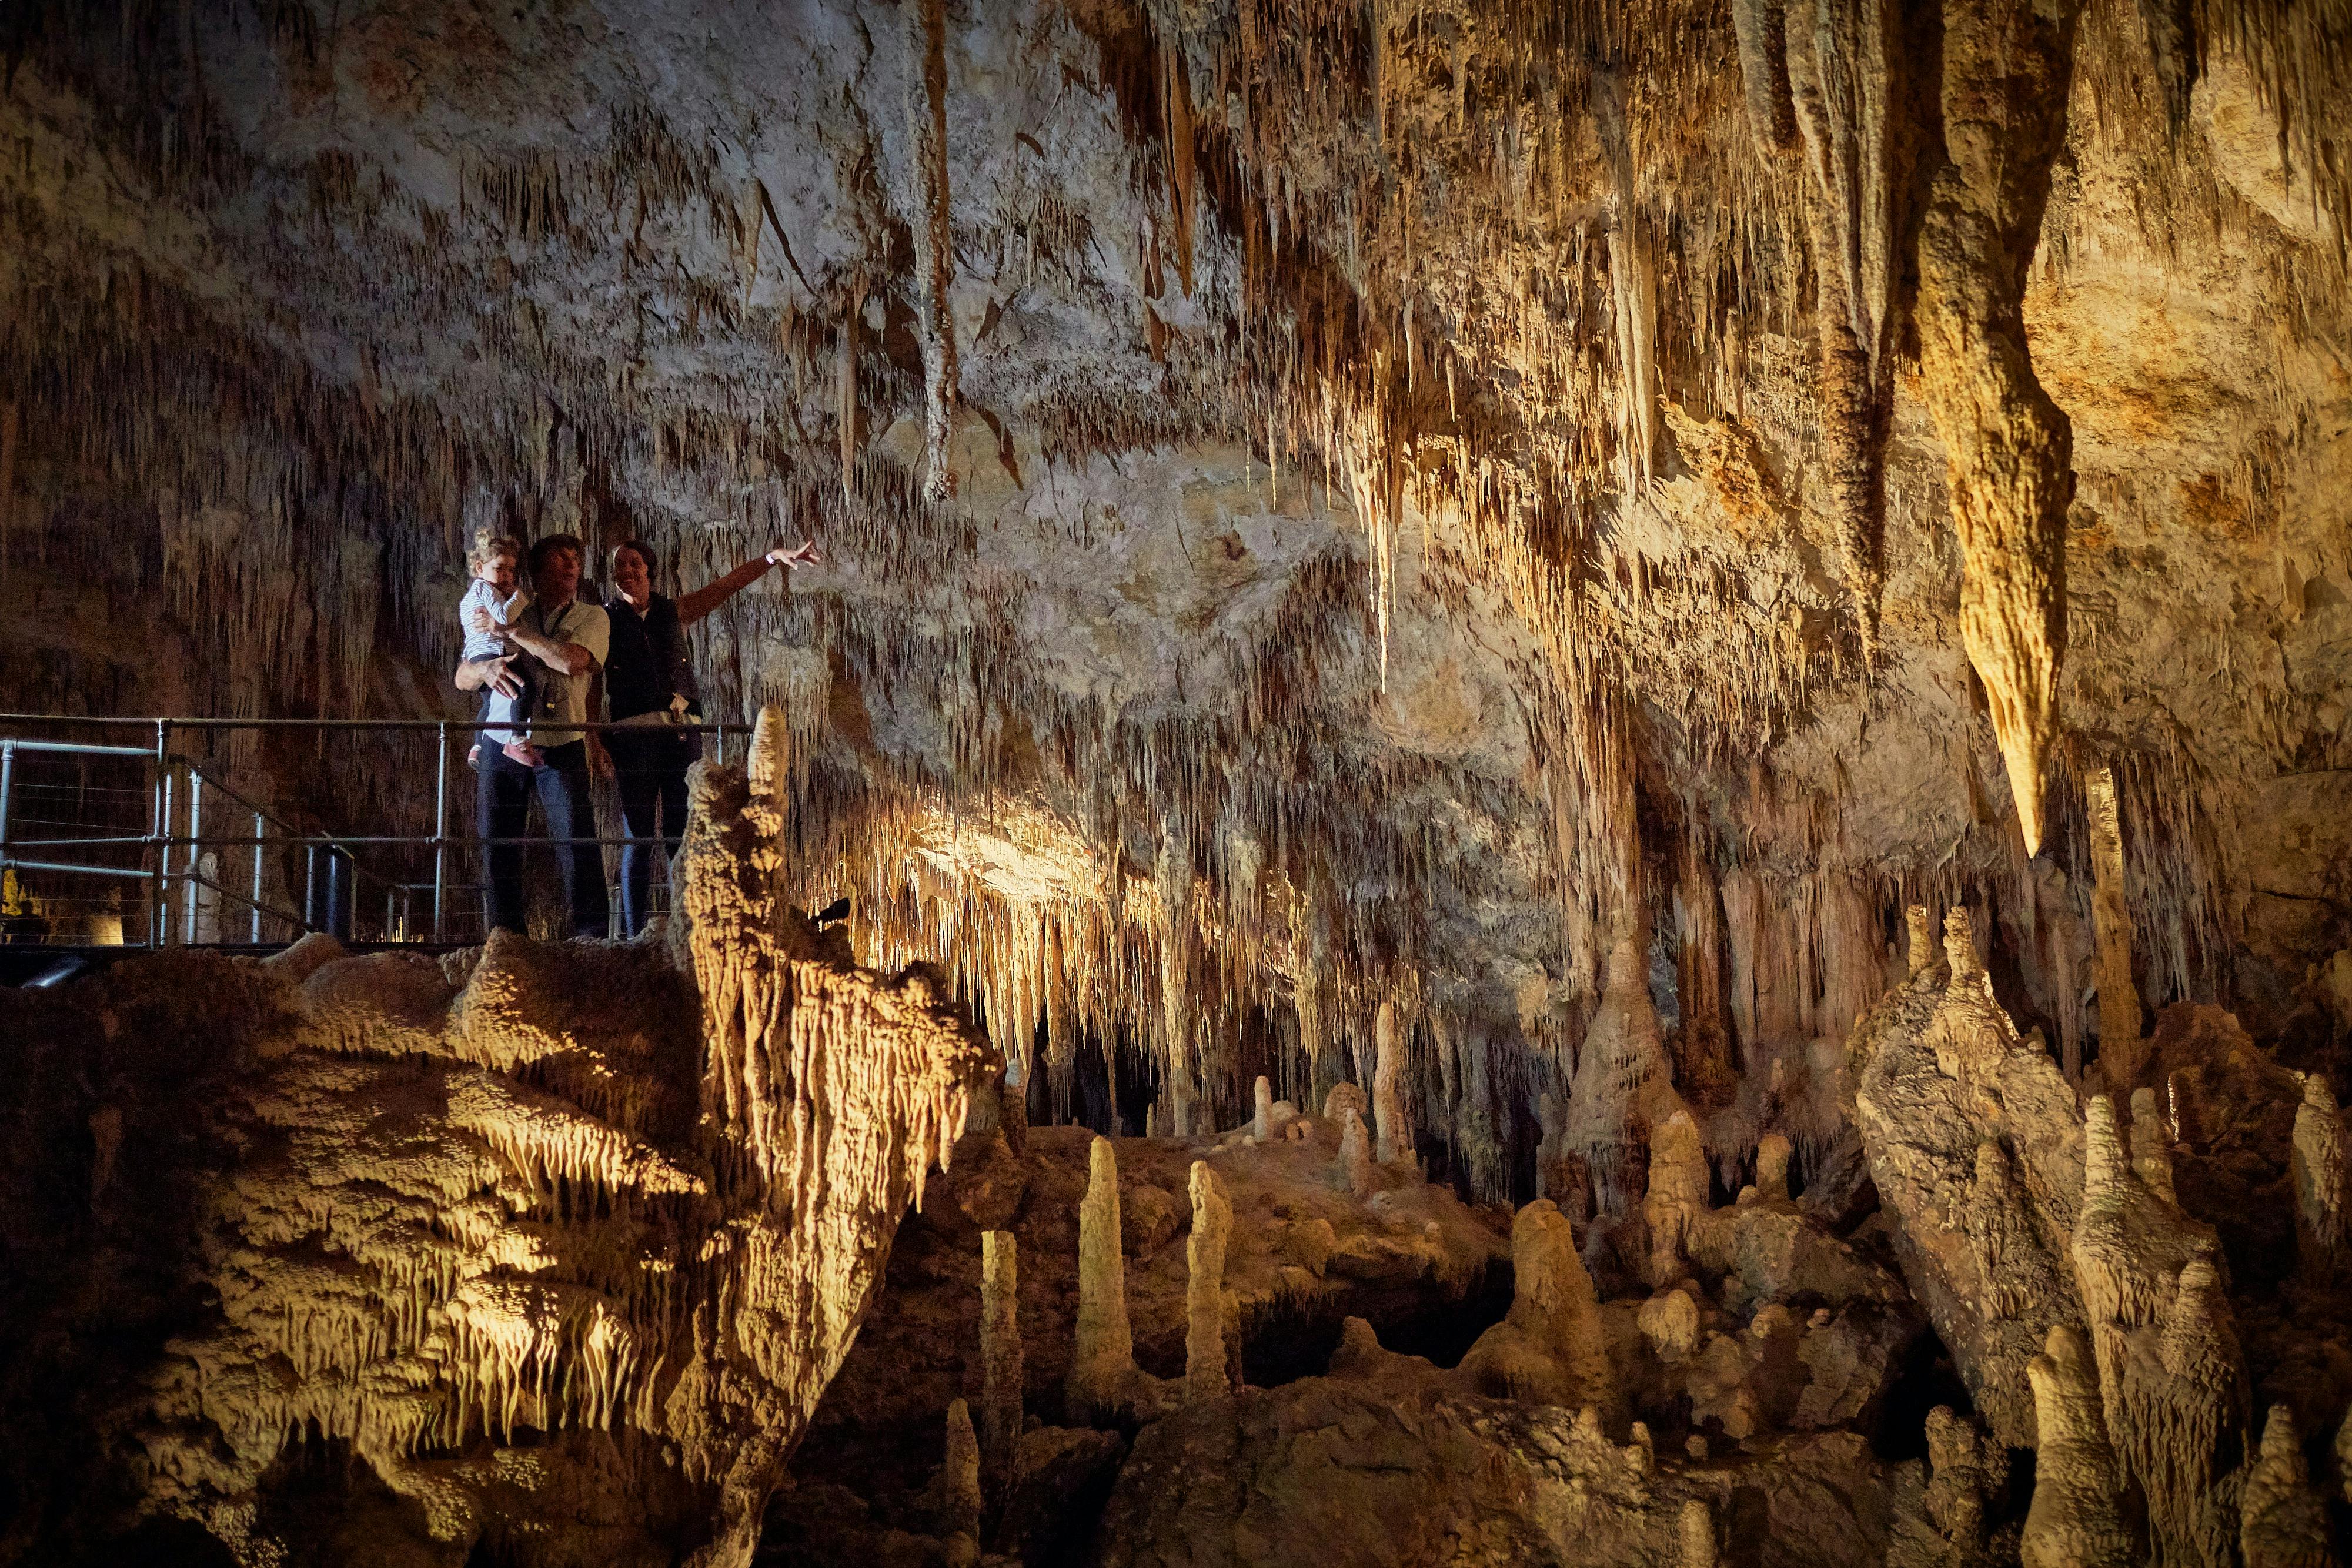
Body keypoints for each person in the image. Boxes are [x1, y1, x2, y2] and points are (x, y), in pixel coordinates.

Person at [598, 534, 823, 936]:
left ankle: (684, 926)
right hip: (632, 736)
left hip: (681, 734)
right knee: (637, 837)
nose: (628, 571)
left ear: (649, 569)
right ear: (613, 575)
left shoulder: (672, 611)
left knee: (682, 832)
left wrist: (771, 557)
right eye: (620, 565)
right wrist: (595, 740)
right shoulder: (604, 618)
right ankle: (633, 936)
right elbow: (588, 677)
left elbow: (725, 586)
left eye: (635, 563)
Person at [455, 534, 612, 939]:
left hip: (561, 741)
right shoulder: (500, 605)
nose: (572, 564)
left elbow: (570, 660)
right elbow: (463, 674)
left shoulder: (592, 616)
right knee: (498, 841)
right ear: (538, 571)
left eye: (576, 558)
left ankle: (591, 937)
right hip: (499, 741)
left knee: (576, 841)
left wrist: (512, 631)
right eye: (561, 558)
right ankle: (506, 938)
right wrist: (485, 671)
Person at [457, 530, 541, 768]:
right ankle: (517, 740)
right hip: (493, 651)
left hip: (479, 652)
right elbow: (503, 617)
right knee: (525, 689)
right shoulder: (486, 589)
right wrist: (519, 597)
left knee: (489, 703)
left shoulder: (474, 593)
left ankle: (478, 746)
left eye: (510, 571)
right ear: (480, 567)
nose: (506, 576)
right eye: (500, 568)